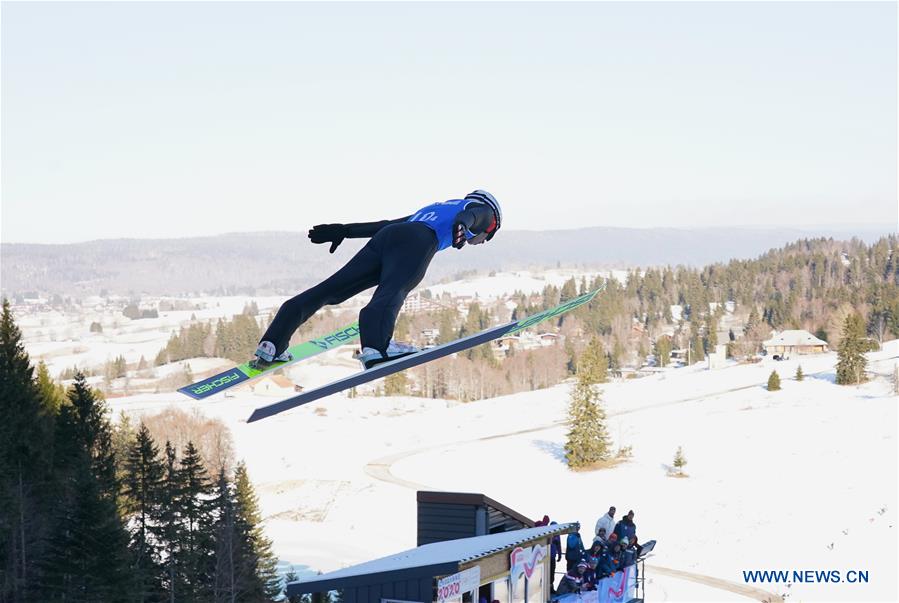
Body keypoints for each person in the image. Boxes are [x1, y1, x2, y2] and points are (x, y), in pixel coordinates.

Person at [252, 191, 502, 369]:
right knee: (395, 289)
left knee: (330, 290)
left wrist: (344, 230)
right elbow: (476, 216)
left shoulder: (435, 208)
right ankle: (377, 348)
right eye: (487, 237)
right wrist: (462, 225)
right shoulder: (483, 211)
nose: (481, 242)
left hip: (387, 238)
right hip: (418, 240)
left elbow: (386, 224)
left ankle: (272, 343)